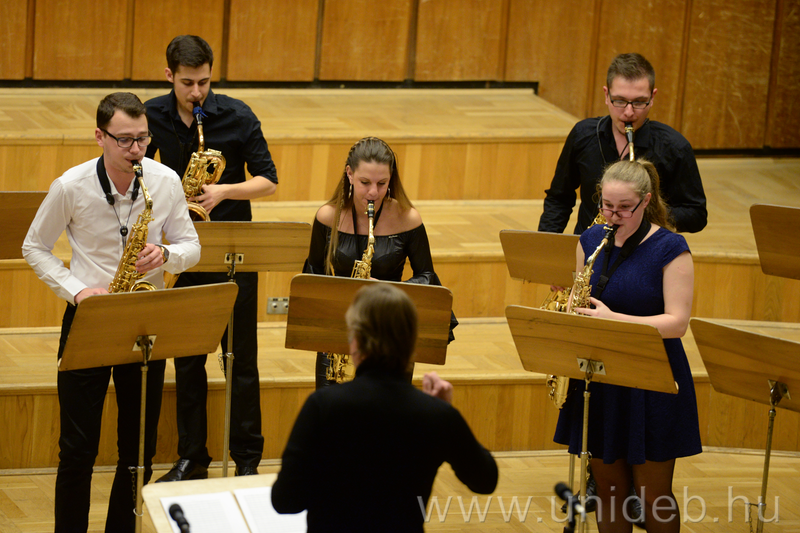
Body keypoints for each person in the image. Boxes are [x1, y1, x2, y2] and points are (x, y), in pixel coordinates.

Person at [22, 92, 201, 533]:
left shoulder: (164, 180)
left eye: (142, 138)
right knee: (77, 449)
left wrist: (166, 254)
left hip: (144, 320)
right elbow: (34, 247)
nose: (136, 149)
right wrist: (78, 290)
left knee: (138, 451)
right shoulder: (71, 186)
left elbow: (191, 246)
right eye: (124, 140)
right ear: (100, 137)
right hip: (91, 318)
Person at [145, 35, 278, 481]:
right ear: (170, 75)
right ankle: (192, 458)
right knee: (186, 359)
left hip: (231, 251)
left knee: (241, 359)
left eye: (203, 82)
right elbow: (138, 175)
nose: (197, 92)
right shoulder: (152, 116)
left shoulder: (238, 116)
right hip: (180, 251)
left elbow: (268, 180)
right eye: (187, 83)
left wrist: (223, 191)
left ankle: (247, 461)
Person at [271, 283, 498, 532]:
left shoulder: (323, 405)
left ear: (356, 341)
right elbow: (486, 480)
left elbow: (285, 500)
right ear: (412, 343)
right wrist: (446, 413)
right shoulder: (436, 415)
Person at [553, 159, 702, 532]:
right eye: (606, 206)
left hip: (652, 378)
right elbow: (580, 299)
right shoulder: (590, 240)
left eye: (624, 208)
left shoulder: (671, 248)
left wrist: (613, 319)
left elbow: (677, 323)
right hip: (601, 377)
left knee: (653, 496)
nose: (613, 216)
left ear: (646, 201)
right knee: (608, 490)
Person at [303, 136, 456, 388]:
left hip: (392, 334)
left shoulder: (408, 219)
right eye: (365, 182)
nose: (374, 192)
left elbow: (427, 276)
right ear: (349, 174)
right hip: (339, 336)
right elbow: (312, 276)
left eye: (382, 183)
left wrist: (386, 290)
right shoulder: (327, 217)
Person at [538, 52, 707, 235]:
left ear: (652, 98)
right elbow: (559, 198)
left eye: (639, 102)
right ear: (606, 95)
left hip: (644, 248)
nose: (628, 112)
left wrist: (650, 214)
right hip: (588, 245)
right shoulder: (583, 135)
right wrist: (545, 244)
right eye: (619, 101)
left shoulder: (674, 147)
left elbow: (696, 215)